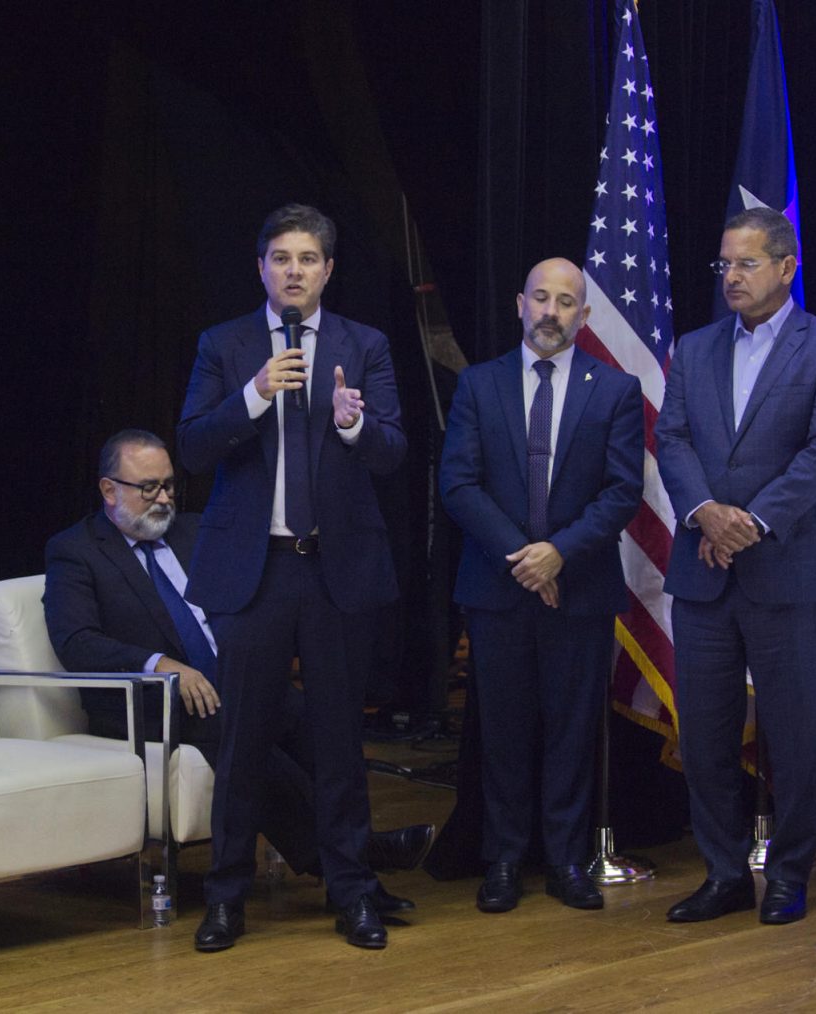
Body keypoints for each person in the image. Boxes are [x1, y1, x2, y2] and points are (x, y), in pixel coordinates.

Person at [42, 428, 433, 896]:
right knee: (241, 729)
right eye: (148, 488)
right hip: (144, 703)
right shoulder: (76, 551)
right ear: (109, 489)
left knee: (315, 720)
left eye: (168, 485)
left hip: (229, 678)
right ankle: (346, 857)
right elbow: (76, 641)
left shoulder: (191, 532)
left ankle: (351, 848)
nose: (163, 498)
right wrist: (159, 663)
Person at [177, 204, 407, 950]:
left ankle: (352, 893)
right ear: (262, 269)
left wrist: (351, 423)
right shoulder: (226, 344)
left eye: (308, 259)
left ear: (328, 271)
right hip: (255, 572)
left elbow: (393, 453)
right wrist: (254, 394)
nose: (295, 271)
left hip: (335, 570)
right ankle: (226, 898)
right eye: (281, 258)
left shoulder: (364, 345)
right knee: (243, 742)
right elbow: (192, 449)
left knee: (340, 743)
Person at [655, 208, 816, 925]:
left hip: (792, 569)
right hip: (703, 572)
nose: (731, 278)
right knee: (706, 736)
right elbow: (673, 438)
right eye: (724, 265)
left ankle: (788, 876)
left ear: (786, 265)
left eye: (745, 264)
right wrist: (706, 512)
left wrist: (752, 522)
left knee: (795, 733)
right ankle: (723, 873)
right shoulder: (696, 346)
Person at [439, 258, 644, 914]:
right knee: (501, 730)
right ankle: (501, 860)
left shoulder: (614, 390)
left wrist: (558, 554)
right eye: (541, 299)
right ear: (519, 305)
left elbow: (621, 493)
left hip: (580, 590)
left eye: (566, 302)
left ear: (583, 316)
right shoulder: (478, 383)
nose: (551, 312)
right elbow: (459, 484)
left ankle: (565, 860)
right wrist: (524, 560)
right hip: (496, 591)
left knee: (571, 729)